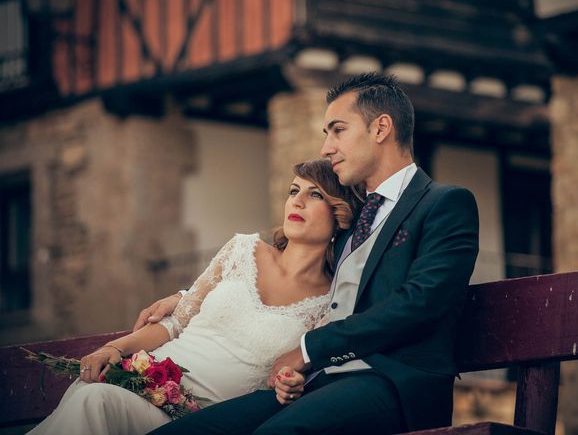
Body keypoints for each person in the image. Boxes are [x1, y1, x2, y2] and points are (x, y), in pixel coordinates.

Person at [145, 72, 480, 435]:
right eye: (326, 134)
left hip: (394, 383)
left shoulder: (444, 204)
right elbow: (296, 272)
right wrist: (187, 297)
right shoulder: (351, 221)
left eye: (338, 130)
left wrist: (308, 349)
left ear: (381, 128)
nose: (326, 148)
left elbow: (422, 301)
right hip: (321, 380)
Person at [27, 159, 362, 435]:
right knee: (93, 395)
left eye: (314, 194)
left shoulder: (329, 304)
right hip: (147, 379)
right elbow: (176, 323)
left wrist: (289, 384)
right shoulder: (242, 250)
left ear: (340, 214)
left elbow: (299, 372)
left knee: (95, 402)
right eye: (293, 191)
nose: (296, 201)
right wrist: (113, 348)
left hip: (199, 418)